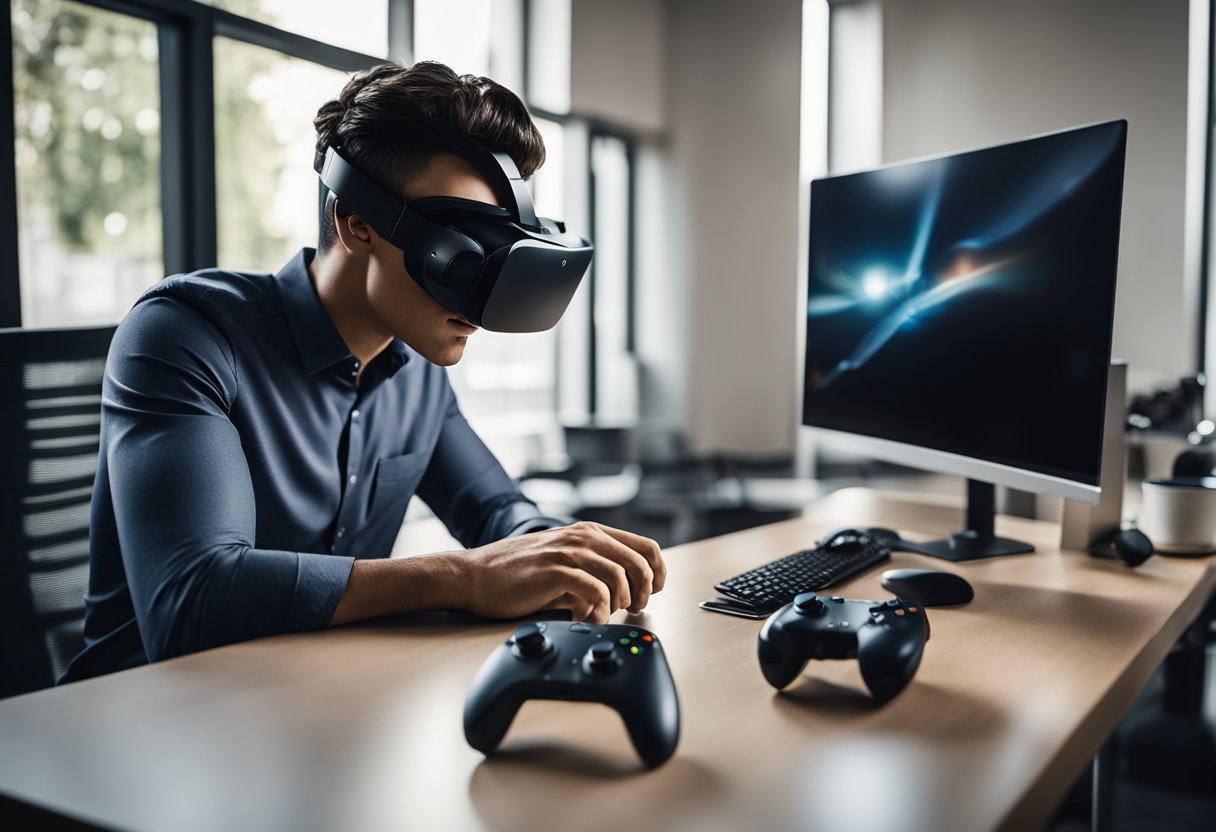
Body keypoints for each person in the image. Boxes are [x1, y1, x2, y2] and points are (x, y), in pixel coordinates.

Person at [60, 62, 665, 684]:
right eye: (460, 257)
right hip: (139, 717)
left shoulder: (415, 368)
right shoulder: (189, 335)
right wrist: (466, 576)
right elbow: (192, 600)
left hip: (313, 706)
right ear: (358, 225)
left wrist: (558, 553)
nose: (475, 307)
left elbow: (496, 512)